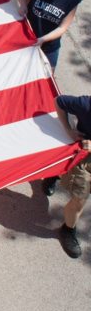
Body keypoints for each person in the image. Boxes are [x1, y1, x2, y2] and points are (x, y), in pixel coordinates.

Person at [10, 0, 81, 72]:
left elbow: (63, 28)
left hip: (50, 47)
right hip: (28, 38)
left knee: (48, 76)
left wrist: (43, 39)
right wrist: (22, 4)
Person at [52, 94, 91, 258]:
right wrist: (68, 129)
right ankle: (68, 230)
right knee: (79, 199)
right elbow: (59, 102)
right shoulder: (85, 105)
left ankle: (55, 174)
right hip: (84, 155)